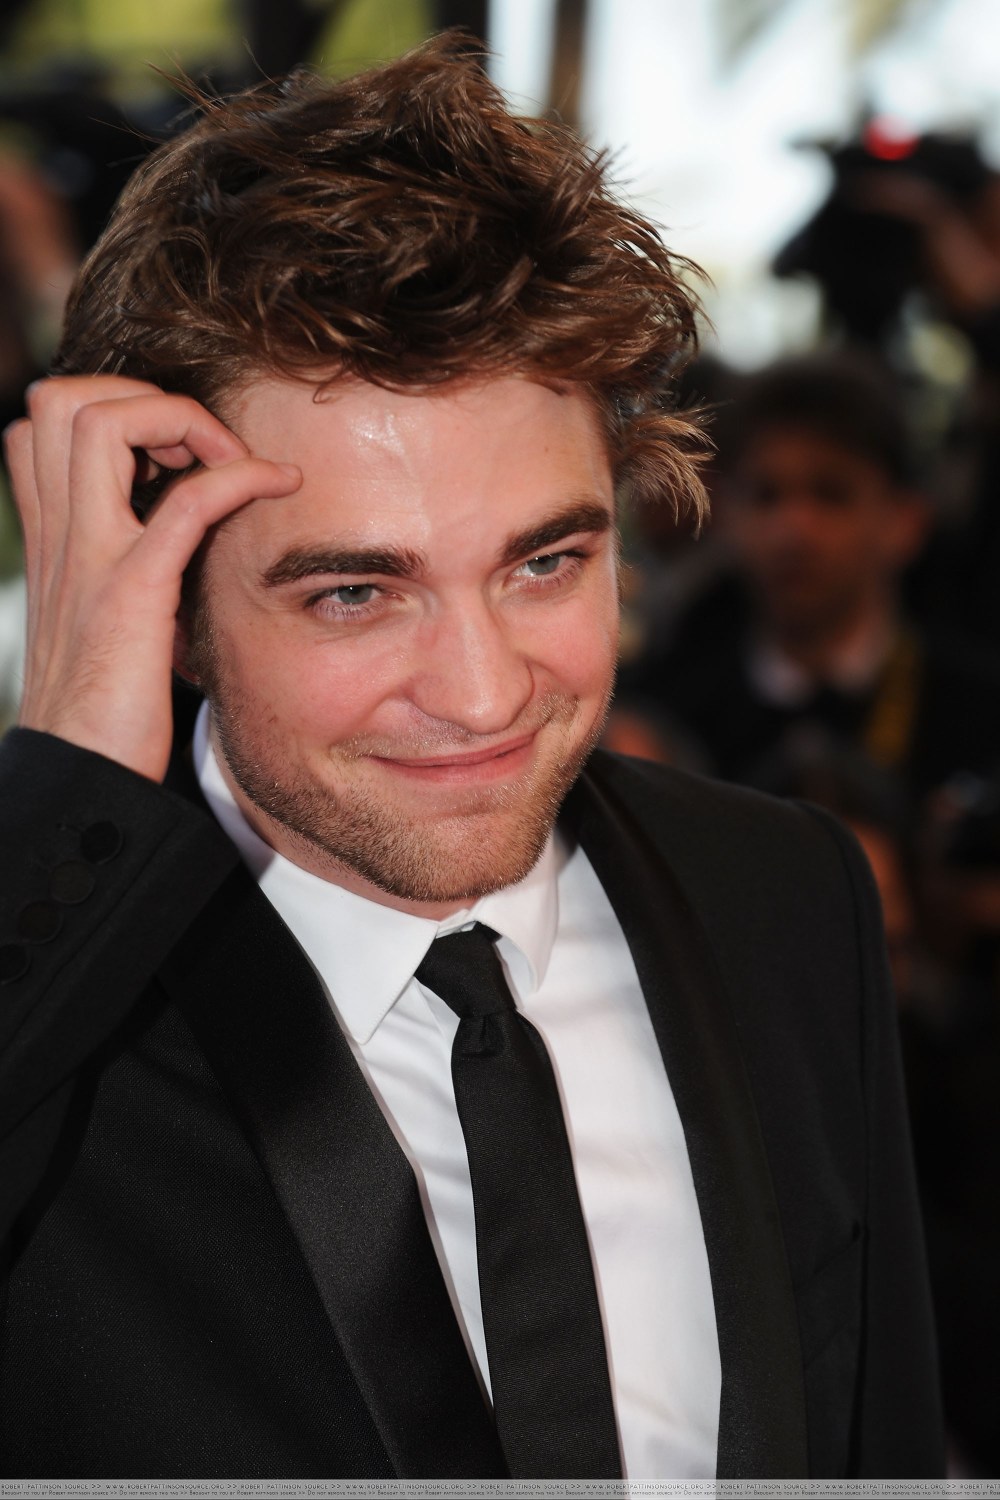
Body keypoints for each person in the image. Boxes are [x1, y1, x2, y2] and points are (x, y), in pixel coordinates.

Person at [0, 37, 942, 1481]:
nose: (486, 692)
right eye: (354, 593)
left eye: (543, 563)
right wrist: (66, 770)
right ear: (171, 604)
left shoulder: (784, 898)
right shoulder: (58, 979)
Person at [617, 354, 1000, 807]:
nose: (794, 530)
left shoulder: (978, 716)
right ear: (728, 515)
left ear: (905, 521)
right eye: (766, 495)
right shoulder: (668, 716)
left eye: (831, 495)